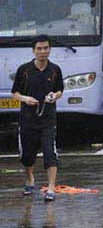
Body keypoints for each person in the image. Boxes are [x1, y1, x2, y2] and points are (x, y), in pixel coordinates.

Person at [11, 35, 64, 202]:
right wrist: (25, 99)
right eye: (39, 49)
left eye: (46, 48)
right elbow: (15, 93)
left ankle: (50, 188)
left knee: (50, 152)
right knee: (27, 155)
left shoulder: (55, 70)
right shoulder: (24, 70)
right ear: (34, 51)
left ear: (50, 49)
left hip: (48, 119)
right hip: (28, 118)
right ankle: (30, 178)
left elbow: (60, 90)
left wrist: (54, 96)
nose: (43, 52)